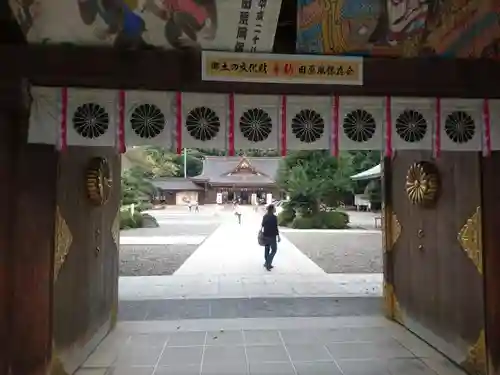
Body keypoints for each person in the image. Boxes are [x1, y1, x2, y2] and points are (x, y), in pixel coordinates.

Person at [261, 204, 281, 271]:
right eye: (274, 208)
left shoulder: (265, 216)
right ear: (272, 209)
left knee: (267, 249)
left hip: (265, 235)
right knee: (274, 250)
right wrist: (278, 236)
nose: (275, 209)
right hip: (272, 236)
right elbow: (275, 228)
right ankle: (268, 263)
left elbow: (262, 225)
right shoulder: (274, 217)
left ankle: (266, 262)